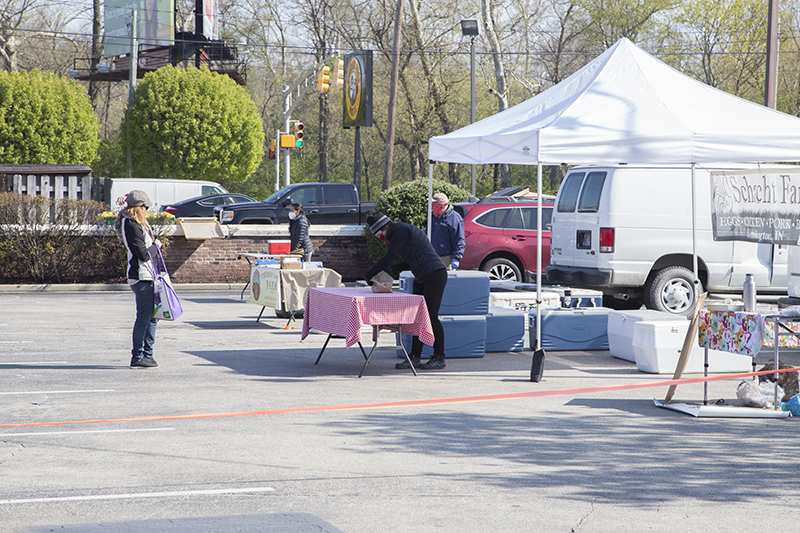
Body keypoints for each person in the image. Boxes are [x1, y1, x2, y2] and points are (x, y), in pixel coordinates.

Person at [365, 212, 448, 370]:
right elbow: (410, 260)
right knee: (418, 317)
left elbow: (388, 257)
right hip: (422, 276)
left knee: (431, 317)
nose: (380, 238)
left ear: (385, 227)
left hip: (435, 274)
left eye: (379, 234)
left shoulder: (402, 231)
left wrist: (369, 274)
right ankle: (415, 356)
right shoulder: (398, 233)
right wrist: (392, 269)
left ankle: (439, 357)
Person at [114, 190, 161, 368]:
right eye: (145, 207)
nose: (147, 210)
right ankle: (138, 355)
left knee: (152, 318)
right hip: (141, 277)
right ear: (138, 208)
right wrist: (156, 246)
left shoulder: (136, 223)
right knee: (144, 317)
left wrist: (126, 197)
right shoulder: (132, 225)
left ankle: (147, 354)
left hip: (148, 276)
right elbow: (143, 255)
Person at [430, 192, 465, 270]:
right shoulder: (432, 217)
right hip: (432, 257)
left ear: (443, 205)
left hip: (446, 259)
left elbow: (459, 239)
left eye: (434, 204)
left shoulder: (454, 218)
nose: (432, 207)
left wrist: (456, 257)